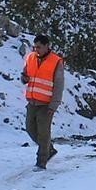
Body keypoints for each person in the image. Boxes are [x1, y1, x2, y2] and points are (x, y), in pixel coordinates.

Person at [20, 34, 66, 171]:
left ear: (47, 46)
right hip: (32, 101)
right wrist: (24, 78)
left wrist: (54, 104)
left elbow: (59, 85)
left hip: (46, 104)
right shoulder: (30, 57)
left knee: (44, 133)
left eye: (39, 47)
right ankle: (49, 149)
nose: (36, 49)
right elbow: (25, 75)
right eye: (35, 47)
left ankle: (41, 161)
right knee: (30, 128)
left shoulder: (56, 61)